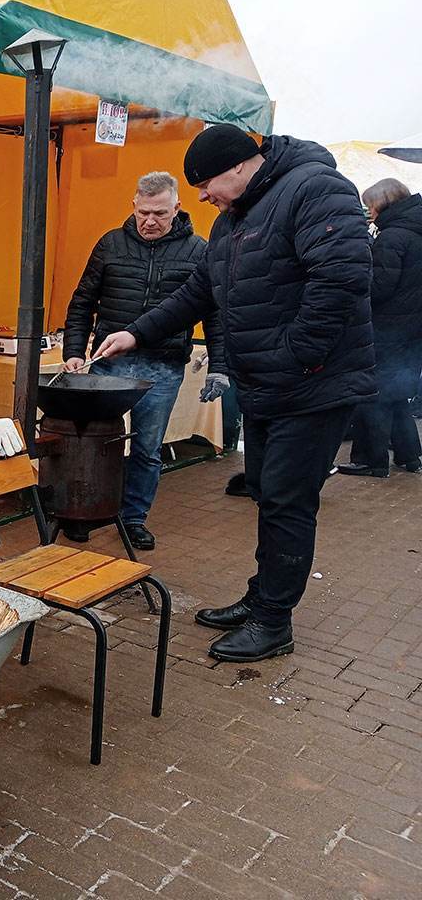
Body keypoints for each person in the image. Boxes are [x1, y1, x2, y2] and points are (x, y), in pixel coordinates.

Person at [95, 124, 375, 663]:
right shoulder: (235, 218)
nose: (201, 197)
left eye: (204, 185)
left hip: (313, 386)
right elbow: (200, 291)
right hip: (271, 386)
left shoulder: (316, 188)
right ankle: (262, 597)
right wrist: (138, 331)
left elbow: (340, 280)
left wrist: (297, 356)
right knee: (268, 495)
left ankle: (274, 623)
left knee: (289, 503)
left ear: (238, 167)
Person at [60, 171, 226, 550]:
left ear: (177, 209)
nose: (150, 221)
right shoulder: (110, 244)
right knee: (96, 441)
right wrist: (73, 351)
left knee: (148, 448)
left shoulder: (199, 252)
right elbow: (82, 301)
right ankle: (86, 511)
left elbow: (215, 314)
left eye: (160, 214)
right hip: (107, 363)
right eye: (143, 213)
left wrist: (220, 366)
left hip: (163, 367)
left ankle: (132, 518)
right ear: (134, 205)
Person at [337, 178, 422, 476]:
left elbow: (379, 287)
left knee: (371, 394)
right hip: (411, 330)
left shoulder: (392, 237)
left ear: (384, 202)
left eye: (370, 204)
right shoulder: (415, 232)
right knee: (396, 394)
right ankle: (410, 457)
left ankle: (370, 461)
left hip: (386, 329)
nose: (368, 211)